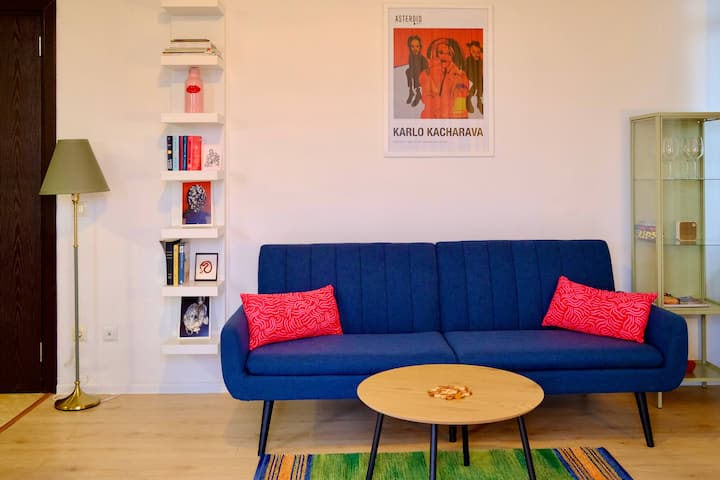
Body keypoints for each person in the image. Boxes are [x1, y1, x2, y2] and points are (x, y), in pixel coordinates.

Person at [418, 38, 469, 119]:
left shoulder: (461, 75)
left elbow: (460, 102)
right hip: (431, 118)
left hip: (453, 119)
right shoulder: (427, 74)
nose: (444, 57)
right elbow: (427, 98)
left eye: (449, 54)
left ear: (454, 56)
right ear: (436, 54)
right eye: (441, 52)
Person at [404, 35, 428, 107]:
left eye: (417, 46)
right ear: (409, 47)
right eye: (412, 46)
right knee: (408, 71)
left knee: (416, 73)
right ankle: (411, 92)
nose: (415, 49)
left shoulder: (421, 58)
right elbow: (411, 67)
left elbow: (425, 71)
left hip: (423, 75)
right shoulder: (411, 56)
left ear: (420, 47)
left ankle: (418, 94)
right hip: (415, 73)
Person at [464, 40, 483, 114]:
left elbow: (479, 73)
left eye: (478, 52)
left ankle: (479, 102)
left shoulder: (480, 61)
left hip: (477, 79)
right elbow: (465, 74)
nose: (476, 54)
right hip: (468, 80)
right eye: (473, 52)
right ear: (470, 51)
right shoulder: (468, 60)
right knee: (472, 85)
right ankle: (468, 100)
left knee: (482, 82)